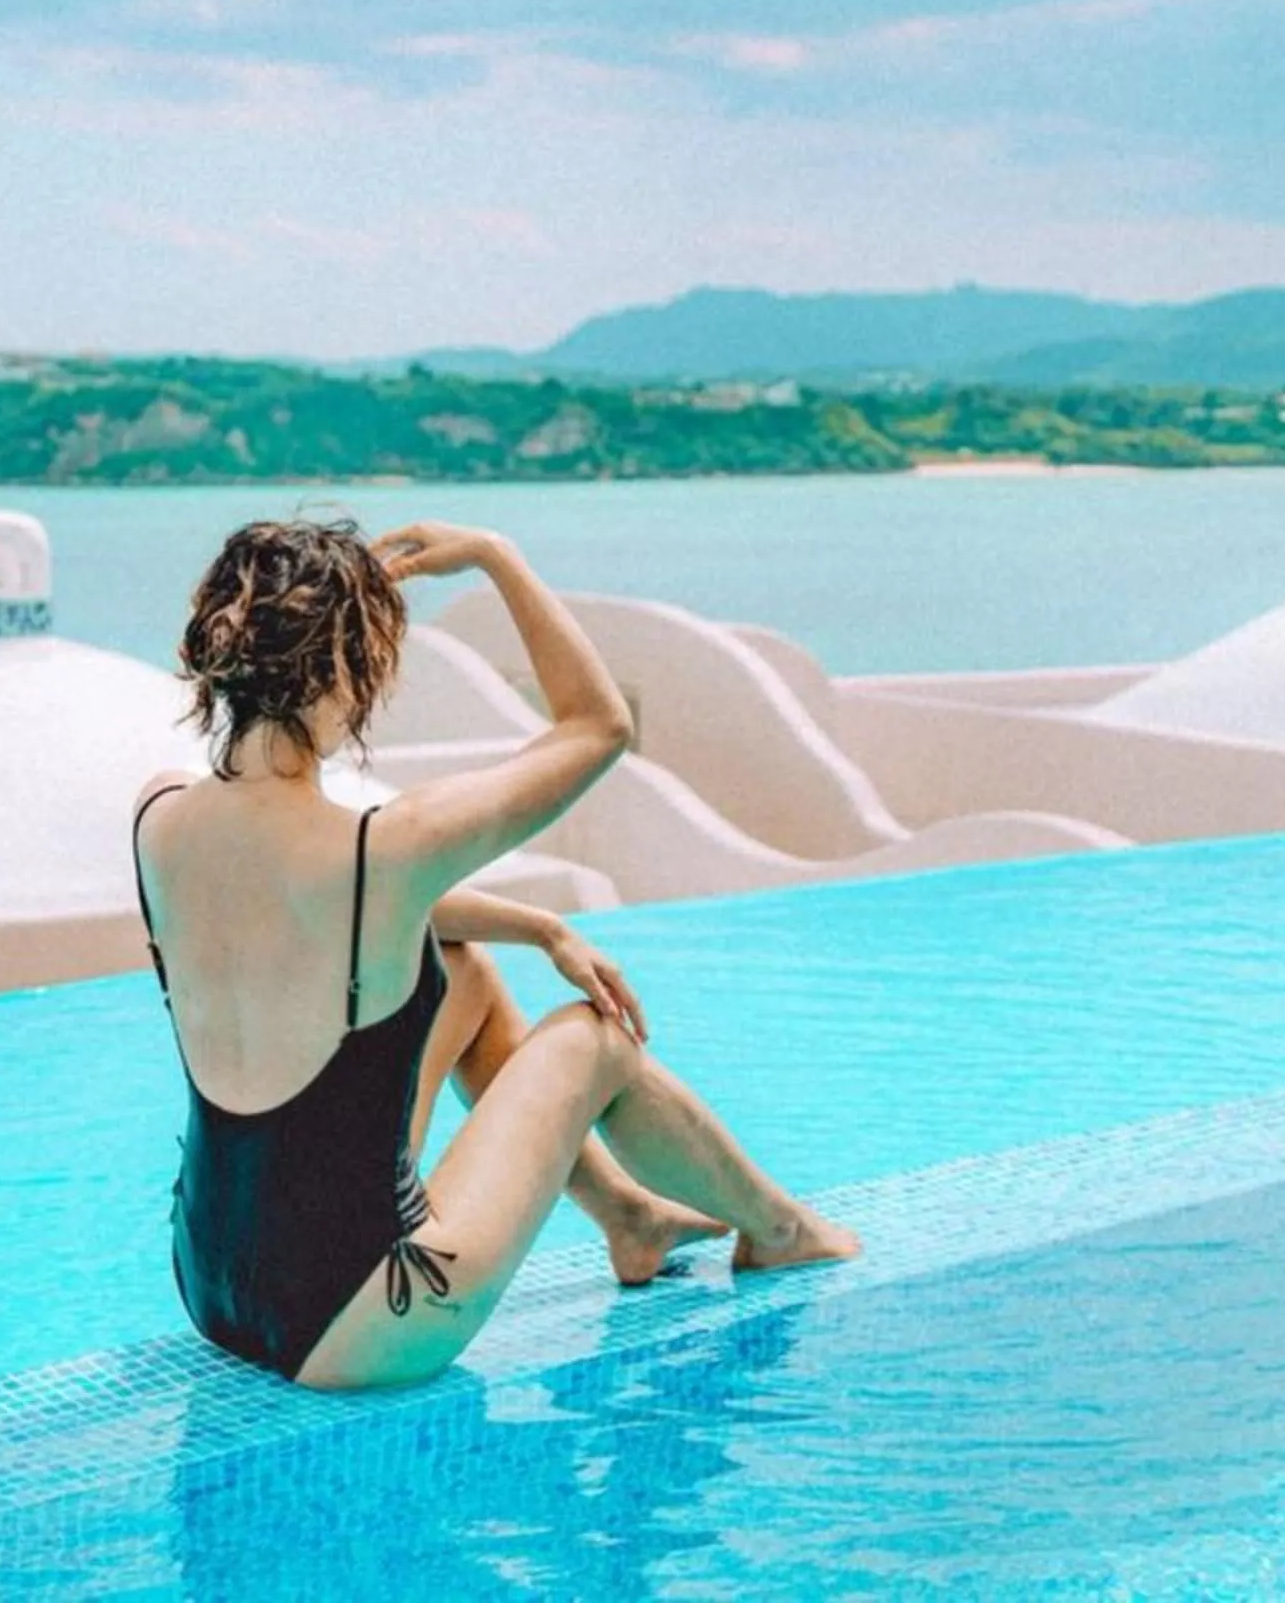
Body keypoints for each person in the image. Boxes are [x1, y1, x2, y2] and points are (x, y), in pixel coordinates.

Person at [130, 512, 862, 1391]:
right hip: (360, 1323)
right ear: (337, 672)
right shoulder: (386, 847)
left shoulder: (160, 819)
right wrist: (496, 558)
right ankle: (778, 1231)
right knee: (594, 1041)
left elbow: (326, 910)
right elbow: (598, 728)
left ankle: (628, 1215)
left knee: (466, 973)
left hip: (210, 1285)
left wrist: (541, 927)